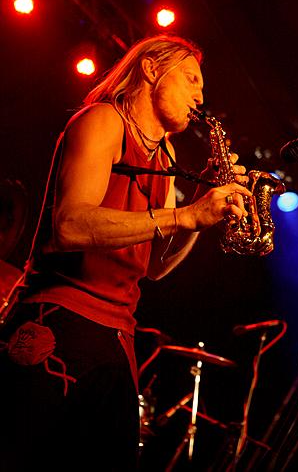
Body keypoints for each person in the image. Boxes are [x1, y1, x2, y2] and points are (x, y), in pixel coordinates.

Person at [0, 34, 251, 471]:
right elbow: (70, 225)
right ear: (152, 69)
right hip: (61, 318)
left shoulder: (166, 153)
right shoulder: (103, 120)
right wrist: (186, 215)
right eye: (192, 79)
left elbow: (156, 265)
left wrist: (200, 202)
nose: (200, 95)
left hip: (118, 337)